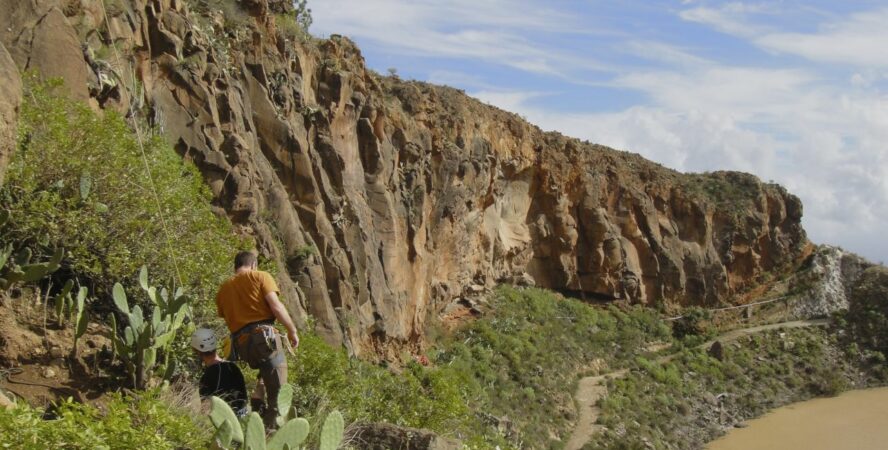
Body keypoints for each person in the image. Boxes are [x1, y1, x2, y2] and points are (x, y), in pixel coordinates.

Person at [215, 251, 299, 428]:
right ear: (253, 265)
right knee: (279, 393)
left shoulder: (223, 289)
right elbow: (275, 306)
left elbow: (226, 315)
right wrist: (292, 330)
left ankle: (258, 397)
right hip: (264, 336)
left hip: (242, 345)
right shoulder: (261, 276)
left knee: (264, 372)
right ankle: (270, 434)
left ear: (236, 266)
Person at [191, 328, 248, 416]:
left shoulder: (208, 376)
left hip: (224, 423)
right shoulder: (233, 367)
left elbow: (206, 409)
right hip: (243, 419)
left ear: (197, 350)